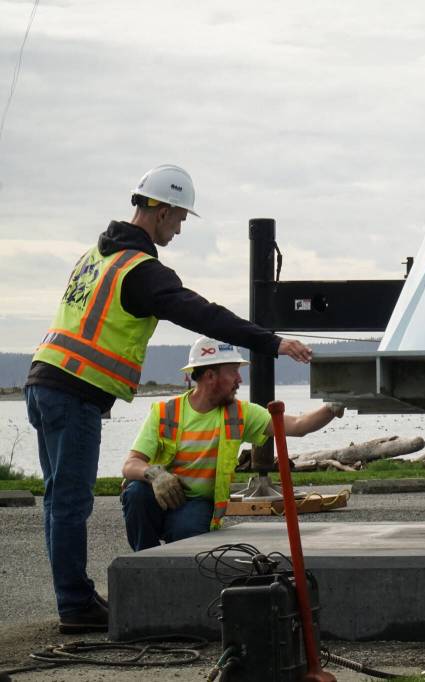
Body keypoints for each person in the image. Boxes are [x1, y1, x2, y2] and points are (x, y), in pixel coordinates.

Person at [24, 165, 314, 634]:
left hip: (44, 383)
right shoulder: (140, 272)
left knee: (59, 501)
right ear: (157, 210)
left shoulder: (95, 256)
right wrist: (271, 342)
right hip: (72, 390)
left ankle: (74, 597)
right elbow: (204, 315)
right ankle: (76, 606)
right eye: (178, 217)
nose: (179, 228)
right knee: (71, 503)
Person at [121, 337, 343, 551]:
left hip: (197, 504)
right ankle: (143, 563)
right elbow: (131, 465)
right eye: (233, 372)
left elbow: (298, 425)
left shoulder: (239, 413)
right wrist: (155, 475)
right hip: (159, 497)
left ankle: (176, 571)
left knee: (187, 538)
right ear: (210, 376)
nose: (239, 379)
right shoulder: (165, 412)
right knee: (136, 493)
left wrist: (333, 407)